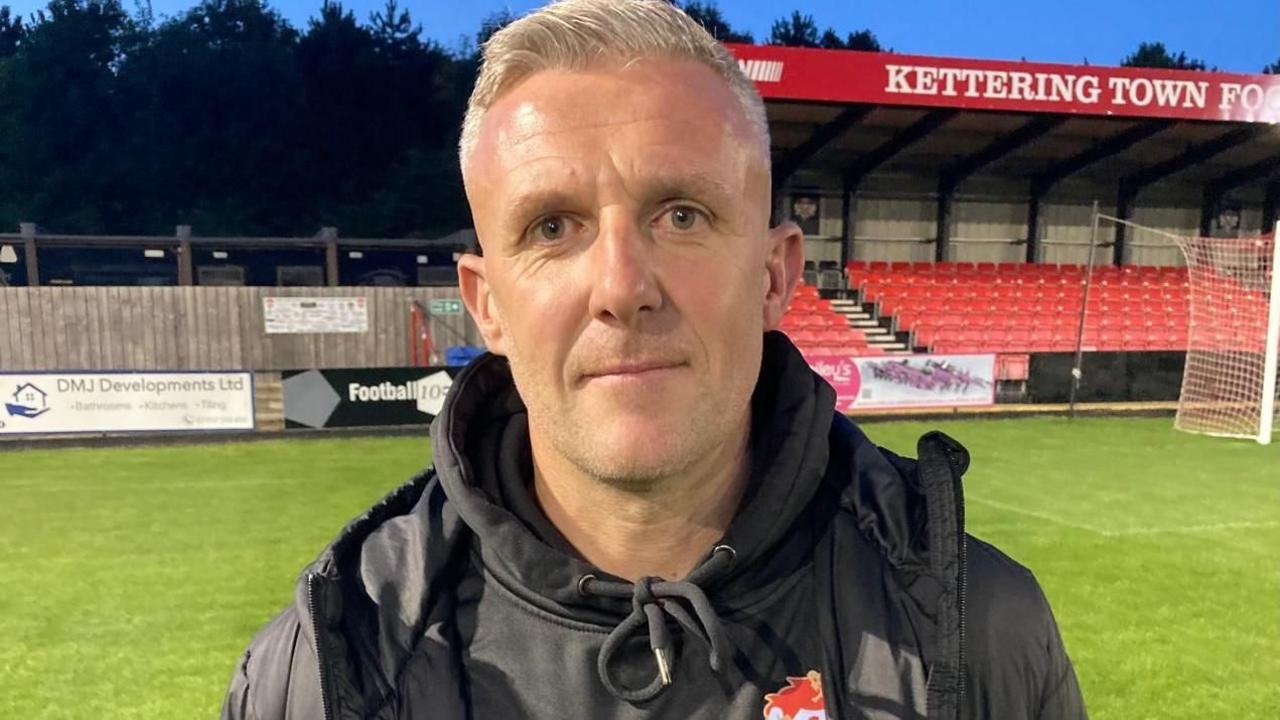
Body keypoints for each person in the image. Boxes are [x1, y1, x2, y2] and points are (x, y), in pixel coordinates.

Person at [221, 1, 1087, 718]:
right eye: (552, 227)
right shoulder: (324, 672)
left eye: (681, 215)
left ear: (775, 274)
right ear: (489, 304)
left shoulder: (977, 634)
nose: (622, 285)